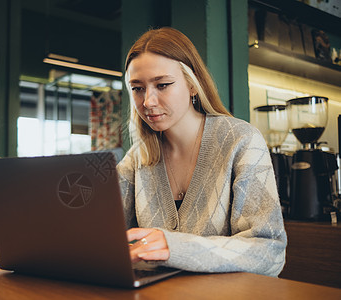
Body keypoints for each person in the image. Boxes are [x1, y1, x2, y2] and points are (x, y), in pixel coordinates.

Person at [117, 27, 287, 277]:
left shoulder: (241, 140)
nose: (148, 102)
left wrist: (173, 246)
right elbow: (105, 239)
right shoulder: (137, 158)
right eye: (137, 88)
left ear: (192, 84)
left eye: (162, 85)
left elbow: (270, 253)